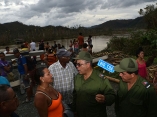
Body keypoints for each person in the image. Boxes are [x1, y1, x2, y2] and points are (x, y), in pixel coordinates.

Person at [73, 51, 115, 117]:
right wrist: (74, 109)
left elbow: (112, 95)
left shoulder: (100, 79)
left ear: (88, 64)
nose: (76, 67)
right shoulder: (77, 77)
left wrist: (105, 98)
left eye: (79, 64)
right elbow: (75, 95)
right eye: (76, 64)